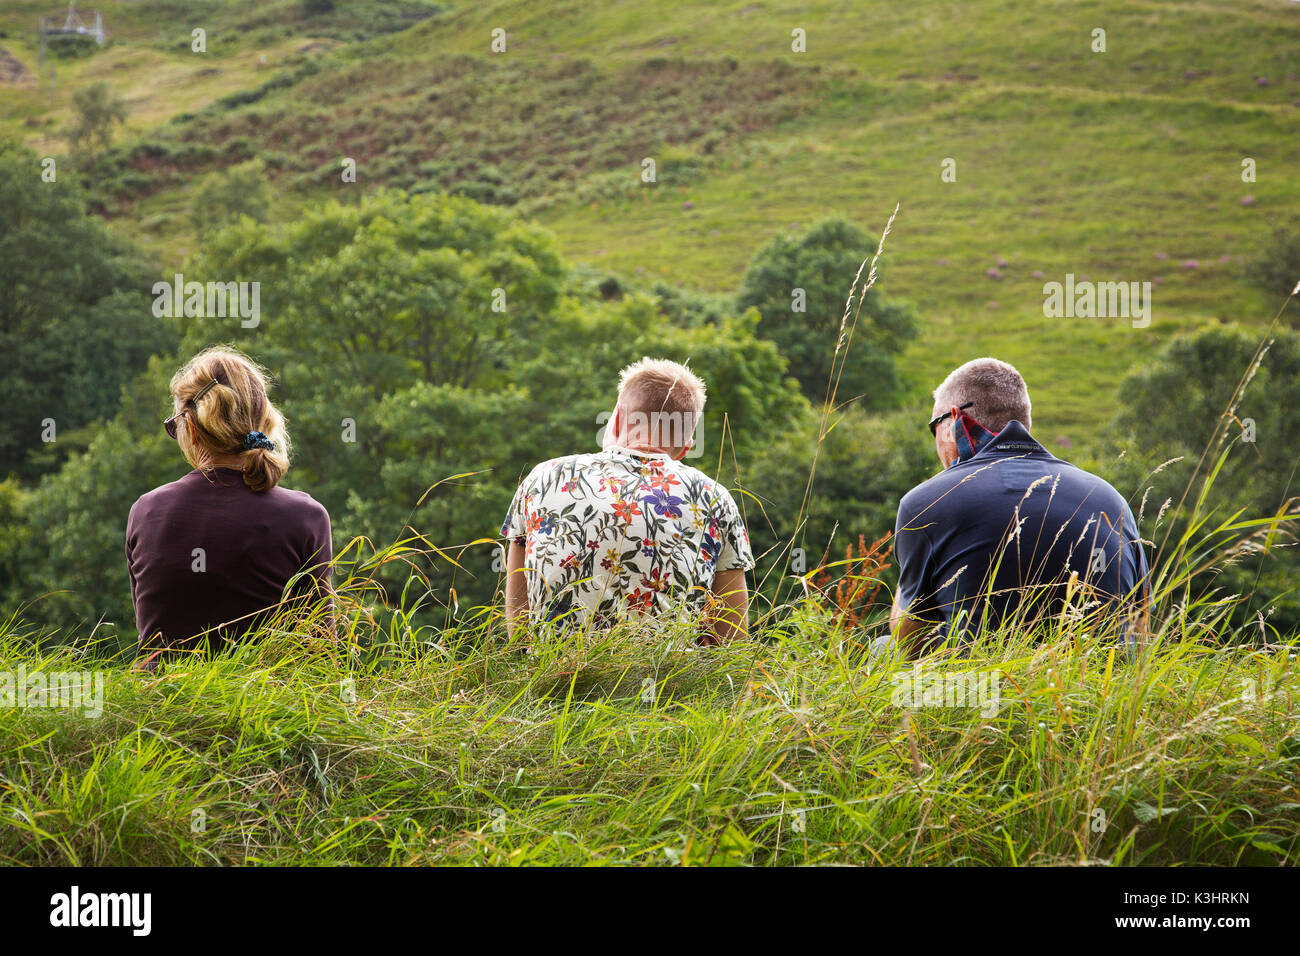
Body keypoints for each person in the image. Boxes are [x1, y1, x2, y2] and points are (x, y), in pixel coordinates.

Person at [890, 357, 1148, 657]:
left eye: (934, 428)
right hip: (1100, 693)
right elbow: (1139, 625)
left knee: (882, 647)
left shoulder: (925, 502)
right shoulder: (1110, 498)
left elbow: (908, 644)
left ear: (954, 421)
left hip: (979, 695)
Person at [501, 357, 753, 643]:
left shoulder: (543, 477)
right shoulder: (713, 498)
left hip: (552, 683)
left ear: (618, 418)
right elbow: (731, 639)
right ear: (685, 448)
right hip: (672, 686)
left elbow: (519, 623)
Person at [126, 346, 333, 663]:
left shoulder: (146, 512)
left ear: (191, 427)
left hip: (157, 707)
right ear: (263, 421)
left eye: (174, 426)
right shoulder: (305, 517)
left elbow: (149, 635)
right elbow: (322, 654)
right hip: (272, 709)